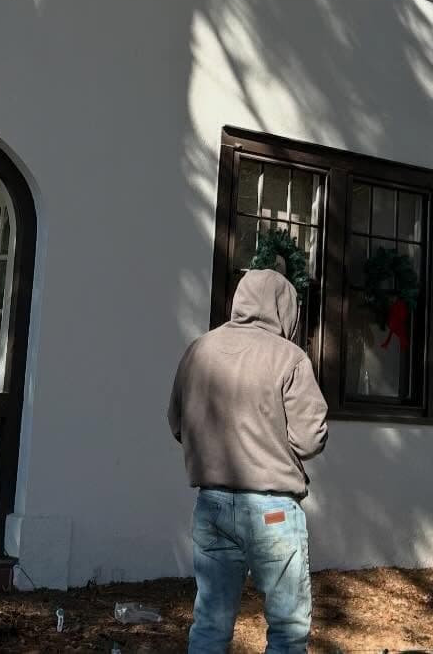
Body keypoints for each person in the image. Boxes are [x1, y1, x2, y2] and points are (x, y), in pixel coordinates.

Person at [168, 268, 329, 654]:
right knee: (287, 629)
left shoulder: (199, 350)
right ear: (285, 310)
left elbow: (177, 422)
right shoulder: (290, 358)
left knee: (210, 622)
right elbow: (310, 439)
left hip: (211, 505)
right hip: (272, 510)